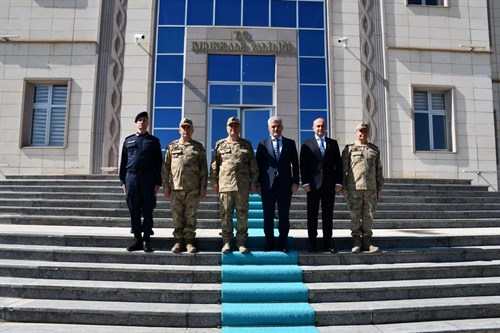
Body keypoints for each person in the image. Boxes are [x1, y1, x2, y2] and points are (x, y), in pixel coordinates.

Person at [210, 116, 259, 254]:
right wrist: (214, 182)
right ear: (227, 128)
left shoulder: (246, 145)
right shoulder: (220, 145)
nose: (233, 128)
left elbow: (253, 166)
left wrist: (254, 182)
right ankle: (226, 242)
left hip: (242, 187)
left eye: (236, 126)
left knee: (242, 215)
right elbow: (214, 166)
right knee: (226, 215)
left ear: (239, 128)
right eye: (231, 126)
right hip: (225, 186)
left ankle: (241, 242)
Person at [162, 117, 208, 254]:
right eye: (183, 127)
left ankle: (189, 242)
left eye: (188, 127)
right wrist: (165, 185)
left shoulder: (198, 147)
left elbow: (203, 169)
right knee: (177, 216)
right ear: (179, 130)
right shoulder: (172, 146)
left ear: (192, 130)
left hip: (192, 189)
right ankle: (178, 241)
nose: (185, 130)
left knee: (191, 216)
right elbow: (165, 168)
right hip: (176, 188)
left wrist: (203, 187)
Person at [119, 111, 163, 252]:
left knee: (148, 209)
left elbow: (158, 163)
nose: (142, 122)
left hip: (148, 179)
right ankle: (137, 239)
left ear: (148, 123)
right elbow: (123, 162)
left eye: (144, 120)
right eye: (139, 120)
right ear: (136, 123)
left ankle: (146, 240)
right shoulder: (128, 140)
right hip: (131, 178)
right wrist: (122, 181)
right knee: (134, 209)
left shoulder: (154, 141)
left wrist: (158, 183)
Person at [256, 116, 299, 252]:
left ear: (282, 127)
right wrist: (257, 183)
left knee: (284, 215)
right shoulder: (262, 144)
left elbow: (296, 165)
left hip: (285, 185)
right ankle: (269, 243)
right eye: (273, 126)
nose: (276, 129)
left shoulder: (290, 143)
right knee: (268, 215)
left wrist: (296, 182)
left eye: (278, 126)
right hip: (267, 185)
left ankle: (282, 244)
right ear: (269, 128)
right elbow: (258, 165)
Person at [300, 118, 343, 253]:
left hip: (329, 185)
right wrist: (305, 182)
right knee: (312, 215)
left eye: (322, 126)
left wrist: (338, 182)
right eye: (318, 126)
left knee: (328, 215)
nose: (320, 128)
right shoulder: (307, 144)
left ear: (326, 128)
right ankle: (312, 243)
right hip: (312, 186)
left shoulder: (333, 144)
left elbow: (339, 165)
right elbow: (303, 165)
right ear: (313, 128)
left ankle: (327, 244)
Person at [342, 122, 384, 253]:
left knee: (369, 215)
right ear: (356, 133)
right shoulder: (349, 149)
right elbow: (344, 169)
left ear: (368, 133)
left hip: (370, 189)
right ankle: (356, 241)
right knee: (355, 215)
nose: (362, 133)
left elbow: (379, 171)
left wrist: (379, 189)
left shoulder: (374, 150)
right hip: (354, 188)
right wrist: (343, 186)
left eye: (365, 131)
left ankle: (367, 241)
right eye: (360, 131)